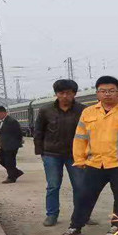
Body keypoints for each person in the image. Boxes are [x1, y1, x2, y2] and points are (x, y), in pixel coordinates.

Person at [62, 76, 118, 235]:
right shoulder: (88, 112)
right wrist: (79, 159)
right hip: (94, 163)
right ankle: (75, 226)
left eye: (111, 91)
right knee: (84, 196)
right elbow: (80, 138)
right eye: (103, 91)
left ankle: (117, 225)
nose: (107, 94)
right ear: (97, 93)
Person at [34, 79, 85, 227]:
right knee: (53, 185)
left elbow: (90, 132)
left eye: (68, 93)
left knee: (80, 186)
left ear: (74, 94)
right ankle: (52, 215)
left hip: (75, 155)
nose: (64, 96)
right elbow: (38, 131)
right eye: (61, 93)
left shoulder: (83, 110)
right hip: (51, 154)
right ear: (56, 94)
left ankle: (82, 215)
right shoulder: (46, 110)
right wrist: (41, 152)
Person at [0, 105, 24, 183]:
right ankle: (16, 172)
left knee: (9, 161)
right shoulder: (0, 122)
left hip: (12, 145)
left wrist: (16, 142)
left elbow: (19, 133)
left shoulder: (12, 121)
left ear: (4, 113)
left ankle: (11, 177)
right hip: (4, 145)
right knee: (0, 159)